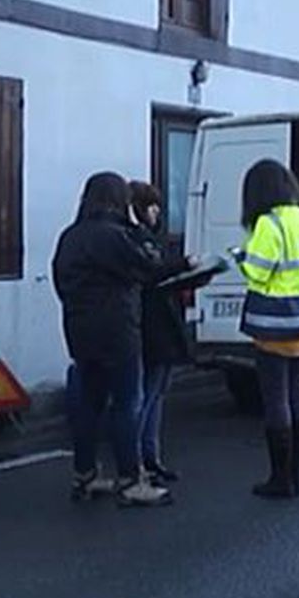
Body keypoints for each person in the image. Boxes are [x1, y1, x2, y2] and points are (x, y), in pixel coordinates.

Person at [53, 172, 190, 507]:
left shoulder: (70, 236)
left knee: (90, 404)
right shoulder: (115, 236)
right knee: (127, 403)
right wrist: (182, 262)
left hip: (78, 330)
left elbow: (60, 280)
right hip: (118, 330)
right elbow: (150, 266)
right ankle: (131, 480)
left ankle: (84, 475)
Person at [236, 160, 299, 499]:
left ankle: (279, 478)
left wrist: (242, 258)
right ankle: (296, 476)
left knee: (275, 399)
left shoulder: (267, 224)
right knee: (296, 394)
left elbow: (257, 273)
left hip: (272, 326)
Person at [129, 181, 202, 485]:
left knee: (156, 394)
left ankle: (150, 457)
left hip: (163, 323)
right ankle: (137, 462)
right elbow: (153, 274)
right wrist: (183, 266)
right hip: (153, 327)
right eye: (152, 206)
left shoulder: (148, 239)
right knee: (147, 395)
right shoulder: (137, 240)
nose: (157, 212)